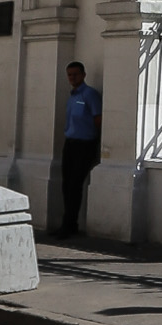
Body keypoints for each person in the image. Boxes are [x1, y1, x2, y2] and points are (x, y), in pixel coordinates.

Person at [60, 60, 102, 235]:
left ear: (83, 75)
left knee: (75, 185)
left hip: (84, 145)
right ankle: (68, 224)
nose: (72, 77)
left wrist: (95, 142)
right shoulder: (72, 97)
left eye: (75, 74)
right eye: (70, 75)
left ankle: (70, 226)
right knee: (66, 185)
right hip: (70, 144)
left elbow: (98, 118)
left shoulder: (89, 95)